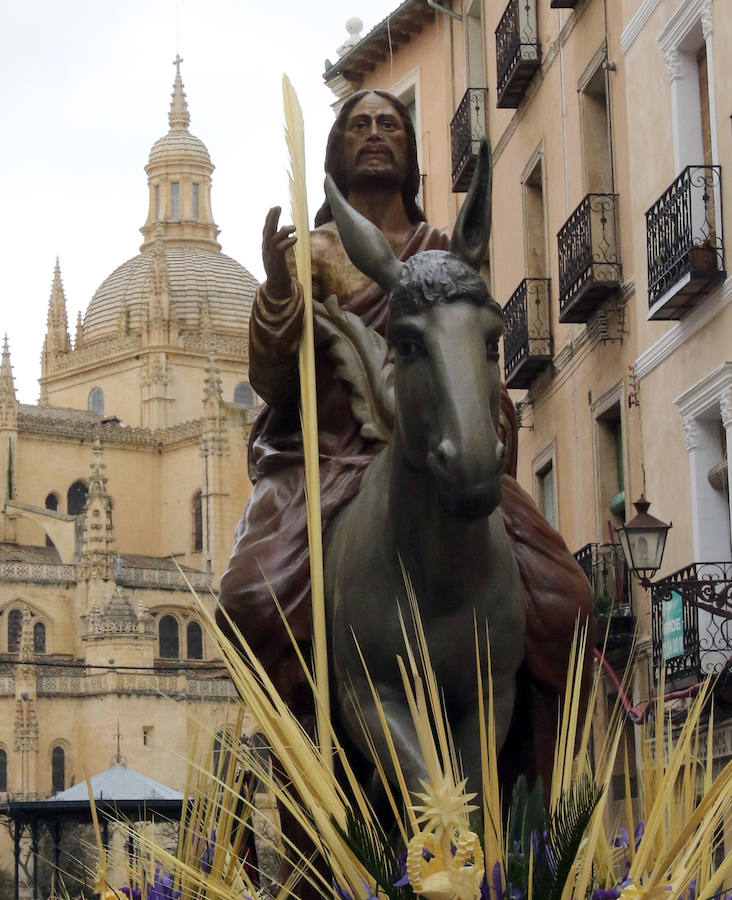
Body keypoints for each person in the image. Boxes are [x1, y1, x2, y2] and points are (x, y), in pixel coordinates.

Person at [218, 89, 594, 797]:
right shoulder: (314, 254)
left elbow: (473, 362)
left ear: (409, 151)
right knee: (247, 596)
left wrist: (487, 427)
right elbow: (272, 376)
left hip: (439, 447)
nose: (374, 134)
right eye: (358, 125)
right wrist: (275, 294)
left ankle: (546, 784)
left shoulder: (445, 255)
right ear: (338, 148)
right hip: (327, 457)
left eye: (389, 124)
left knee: (566, 599)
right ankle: (291, 745)